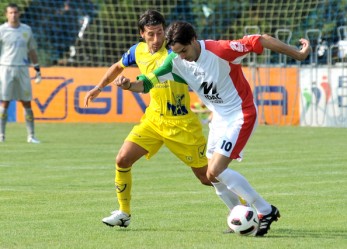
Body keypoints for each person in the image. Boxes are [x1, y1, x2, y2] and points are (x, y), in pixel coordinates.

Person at [114, 21, 310, 236]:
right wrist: (129, 86)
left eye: (184, 50)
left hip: (240, 113)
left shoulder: (219, 50)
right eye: (176, 52)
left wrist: (298, 54)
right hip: (219, 117)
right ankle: (239, 215)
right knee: (212, 176)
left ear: (193, 40)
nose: (181, 57)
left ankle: (265, 210)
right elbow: (148, 82)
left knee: (216, 170)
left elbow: (260, 39)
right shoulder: (175, 60)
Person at [84, 10, 242, 229]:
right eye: (151, 34)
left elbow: (205, 75)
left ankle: (243, 210)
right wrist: (99, 87)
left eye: (160, 33)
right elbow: (118, 66)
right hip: (154, 121)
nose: (156, 39)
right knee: (122, 159)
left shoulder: (176, 53)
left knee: (207, 176)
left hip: (182, 125)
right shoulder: (137, 51)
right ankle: (124, 213)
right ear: (142, 34)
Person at [0, 3, 41, 143]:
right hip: (6, 68)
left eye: (15, 12)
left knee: (26, 102)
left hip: (23, 68)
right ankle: (1, 136)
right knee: (4, 102)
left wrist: (37, 68)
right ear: (6, 14)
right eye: (10, 12)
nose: (13, 15)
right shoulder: (2, 30)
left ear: (19, 14)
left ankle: (31, 136)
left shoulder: (26, 30)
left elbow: (32, 50)